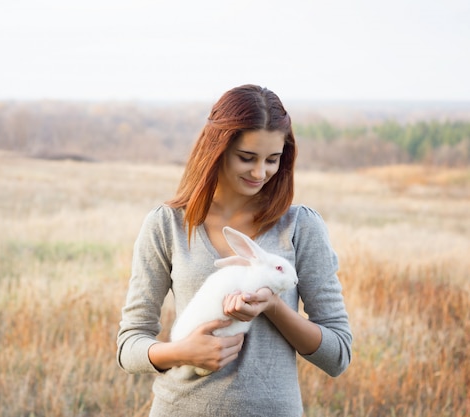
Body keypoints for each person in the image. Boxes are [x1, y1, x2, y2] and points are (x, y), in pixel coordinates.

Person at [116, 84, 352, 417]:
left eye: (273, 160)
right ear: (217, 149)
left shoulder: (301, 227)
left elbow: (338, 355)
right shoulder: (166, 224)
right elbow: (129, 346)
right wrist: (182, 352)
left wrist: (272, 305)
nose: (260, 173)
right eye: (247, 158)